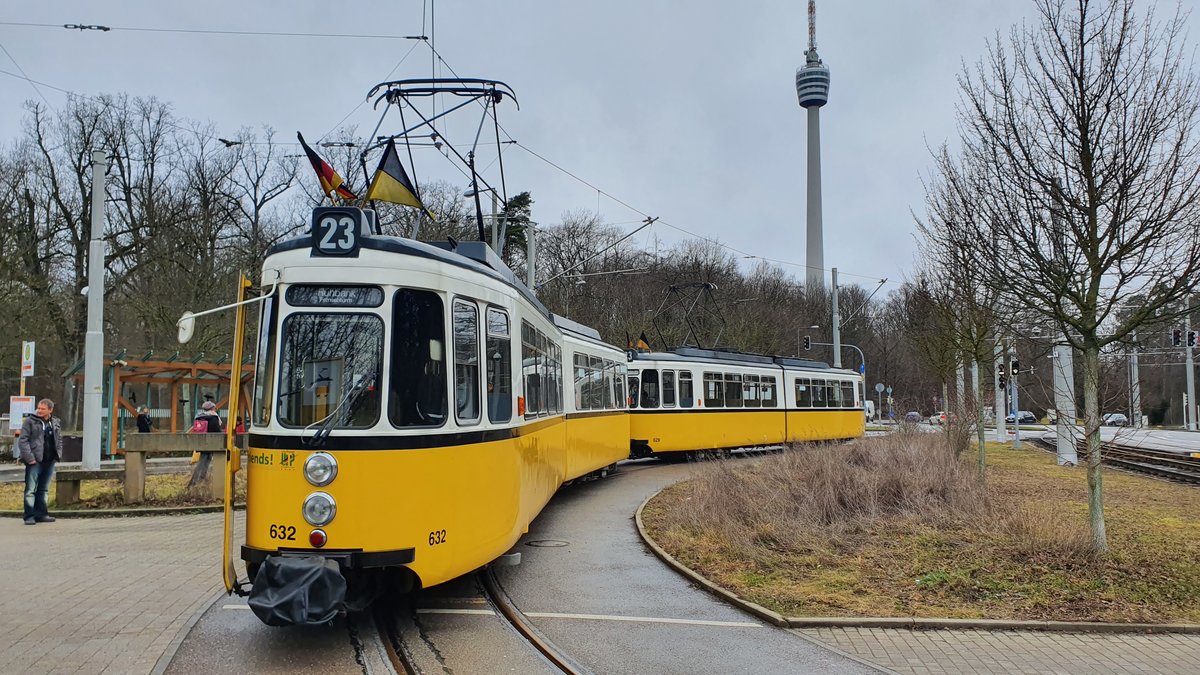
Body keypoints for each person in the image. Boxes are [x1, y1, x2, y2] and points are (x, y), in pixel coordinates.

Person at [18, 398, 61, 525]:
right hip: (34, 460)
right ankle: (29, 515)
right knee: (31, 489)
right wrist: (30, 458)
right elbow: (23, 440)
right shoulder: (30, 421)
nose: (40, 411)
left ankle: (42, 514)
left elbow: (59, 439)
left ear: (50, 410)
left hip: (49, 460)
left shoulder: (55, 422)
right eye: (39, 408)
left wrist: (58, 454)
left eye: (43, 409)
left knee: (43, 489)